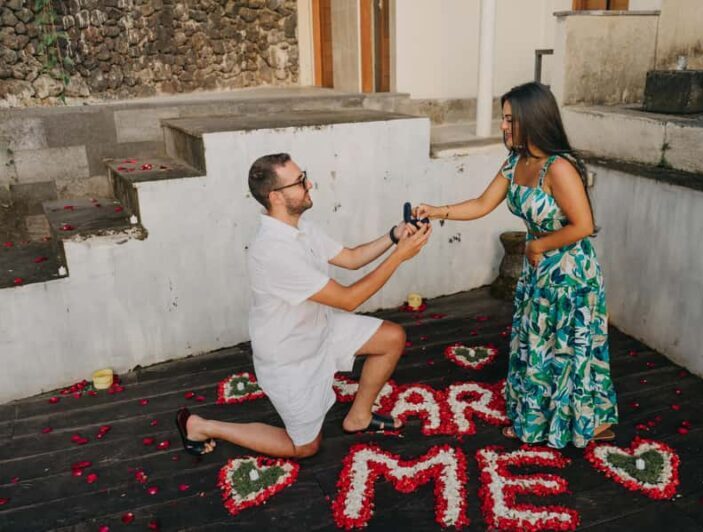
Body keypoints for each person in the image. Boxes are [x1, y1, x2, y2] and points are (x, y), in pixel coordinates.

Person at [176, 153, 432, 458]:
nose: (309, 183)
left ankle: (359, 417)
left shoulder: (300, 227)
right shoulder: (272, 252)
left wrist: (394, 236)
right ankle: (203, 425)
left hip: (320, 330)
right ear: (276, 197)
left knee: (392, 337)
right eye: (300, 181)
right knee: (305, 447)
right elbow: (349, 300)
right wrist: (399, 257)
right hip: (290, 359)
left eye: (304, 176)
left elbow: (350, 258)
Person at [414, 82, 617, 449]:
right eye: (503, 119)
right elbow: (480, 204)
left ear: (533, 118)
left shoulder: (559, 168)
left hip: (570, 275)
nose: (504, 127)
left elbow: (583, 226)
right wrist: (437, 210)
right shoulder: (516, 162)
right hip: (539, 270)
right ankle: (539, 419)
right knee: (540, 346)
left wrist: (536, 244)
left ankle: (576, 424)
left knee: (569, 351)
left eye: (510, 119)